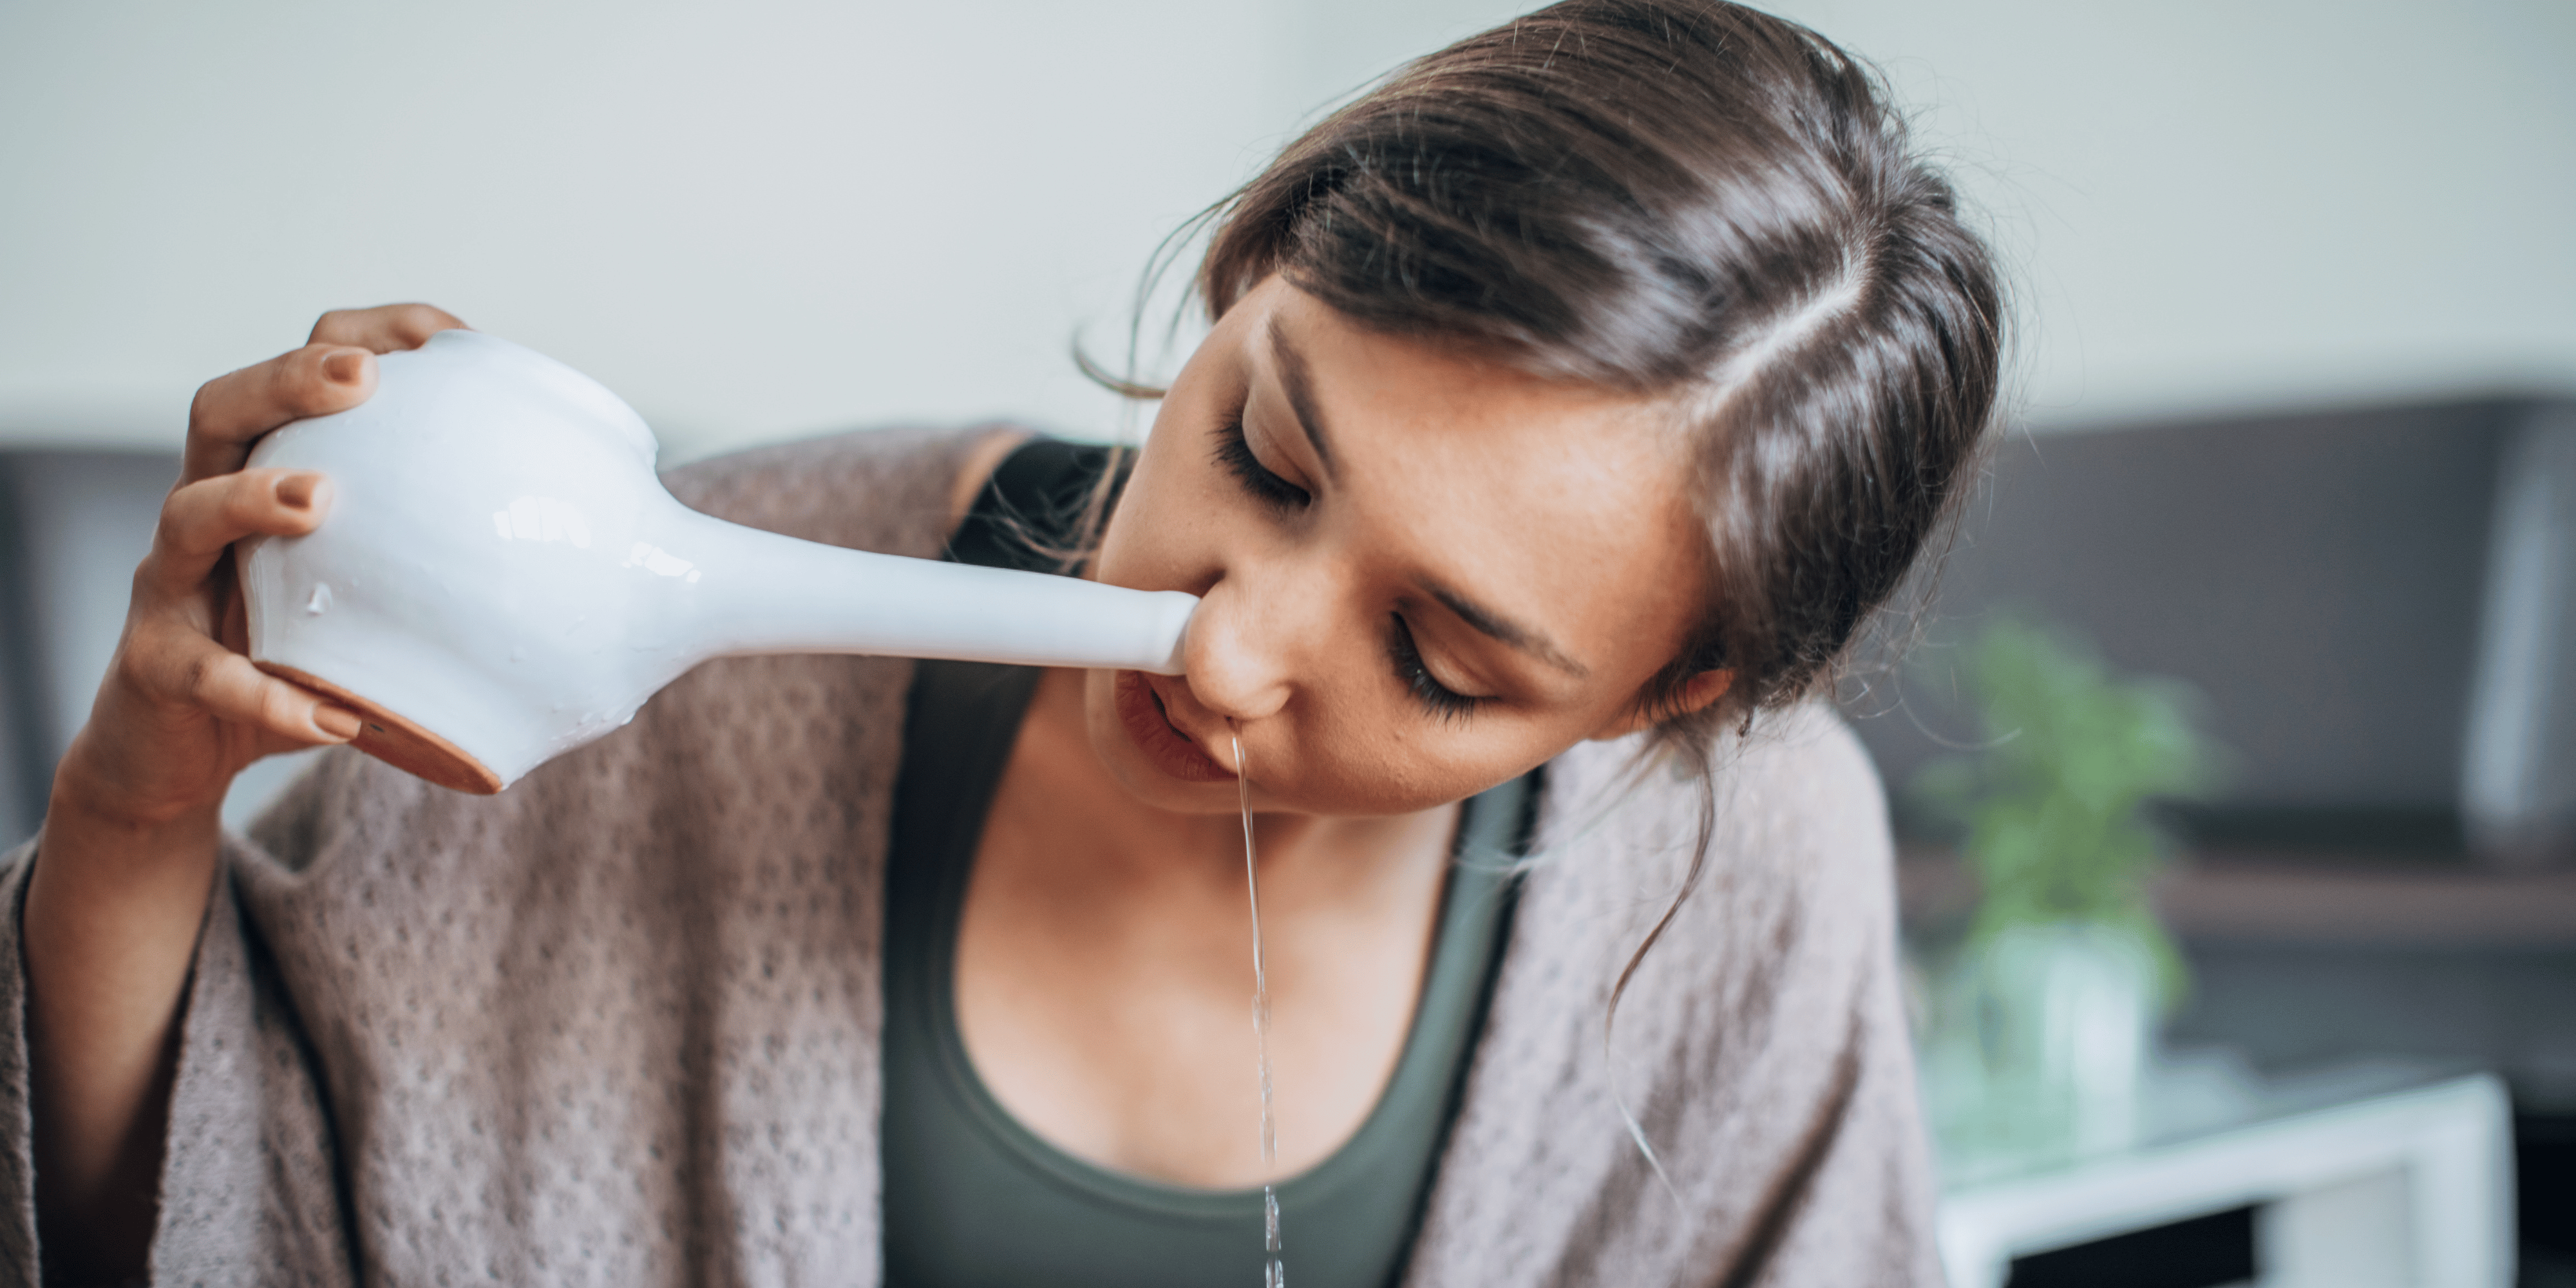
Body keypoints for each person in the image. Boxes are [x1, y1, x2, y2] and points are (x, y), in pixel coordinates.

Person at [6, 1, 2001, 1283]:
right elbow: (193, 1229)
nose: (1226, 657)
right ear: (1242, 271)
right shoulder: (686, 637)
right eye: (1269, 456)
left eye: (1444, 665)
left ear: (1670, 698)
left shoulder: (1756, 871)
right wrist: (135, 800)